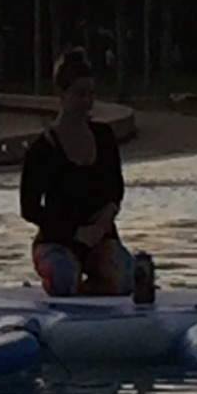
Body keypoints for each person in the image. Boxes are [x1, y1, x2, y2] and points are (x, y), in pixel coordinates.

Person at [21, 49, 146, 297]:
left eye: (91, 94)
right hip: (57, 239)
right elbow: (30, 208)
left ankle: (88, 291)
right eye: (79, 94)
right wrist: (75, 232)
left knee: (126, 278)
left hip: (100, 237)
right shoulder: (42, 149)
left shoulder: (104, 137)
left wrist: (102, 223)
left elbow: (115, 189)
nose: (86, 101)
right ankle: (70, 283)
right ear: (61, 93)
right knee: (64, 280)